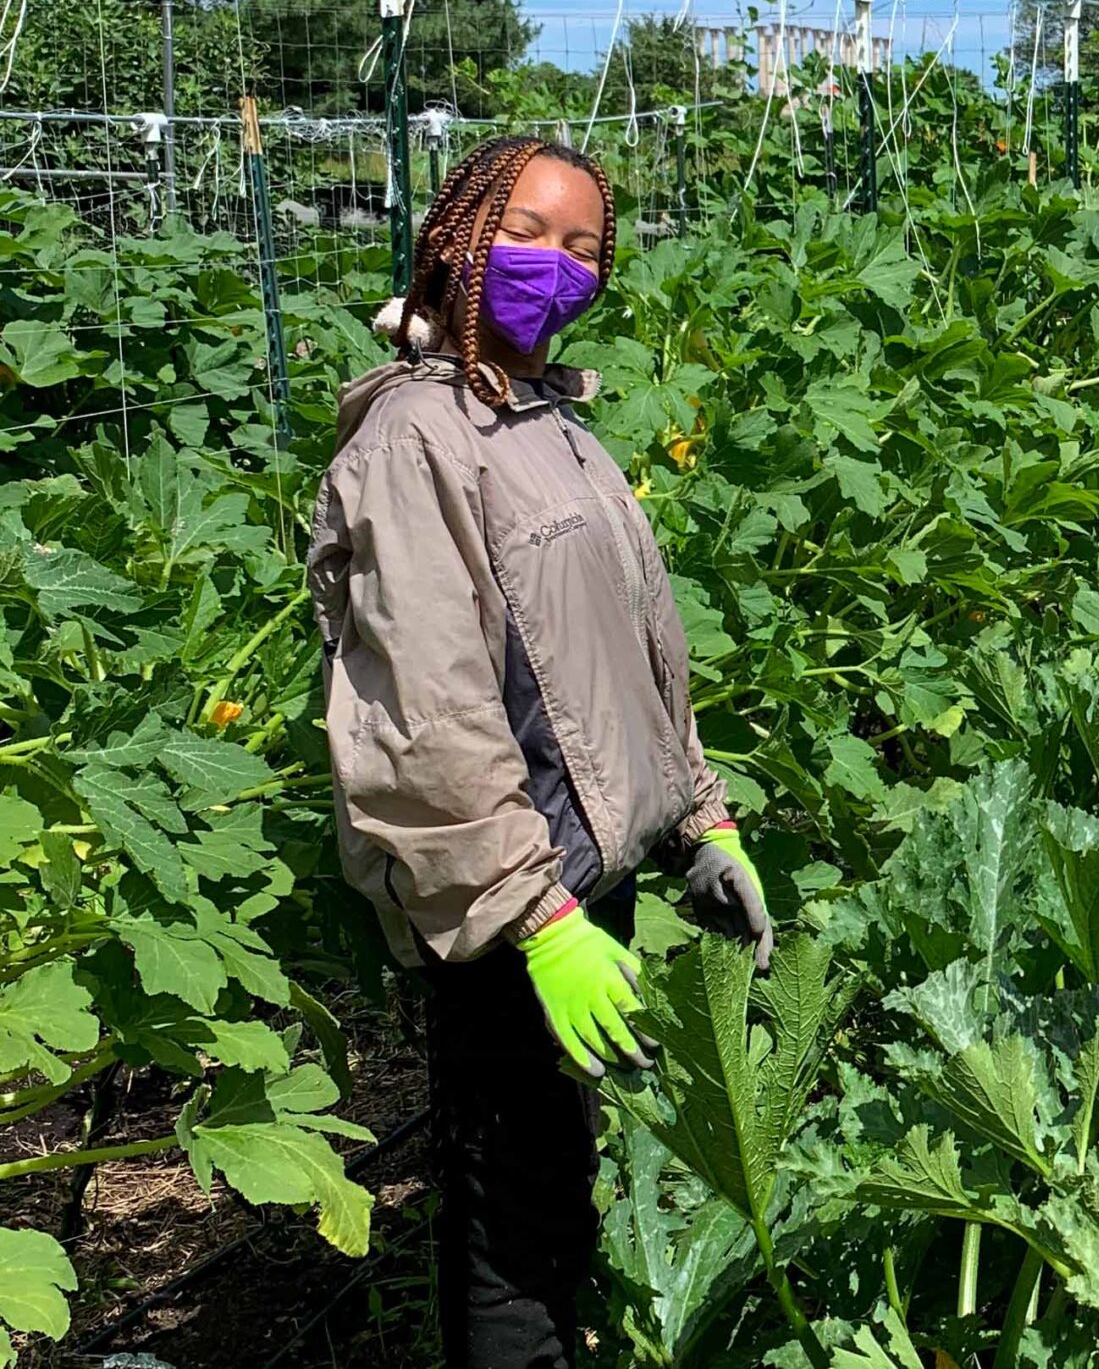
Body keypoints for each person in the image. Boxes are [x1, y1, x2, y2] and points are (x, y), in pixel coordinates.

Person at [307, 135, 775, 1368]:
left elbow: (627, 655)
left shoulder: (552, 422)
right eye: (525, 233)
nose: (552, 266)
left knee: (553, 1182)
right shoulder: (420, 439)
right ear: (454, 238)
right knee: (510, 1223)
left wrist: (697, 817)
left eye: (581, 247)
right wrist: (530, 913)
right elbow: (427, 710)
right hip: (511, 896)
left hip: (584, 875)